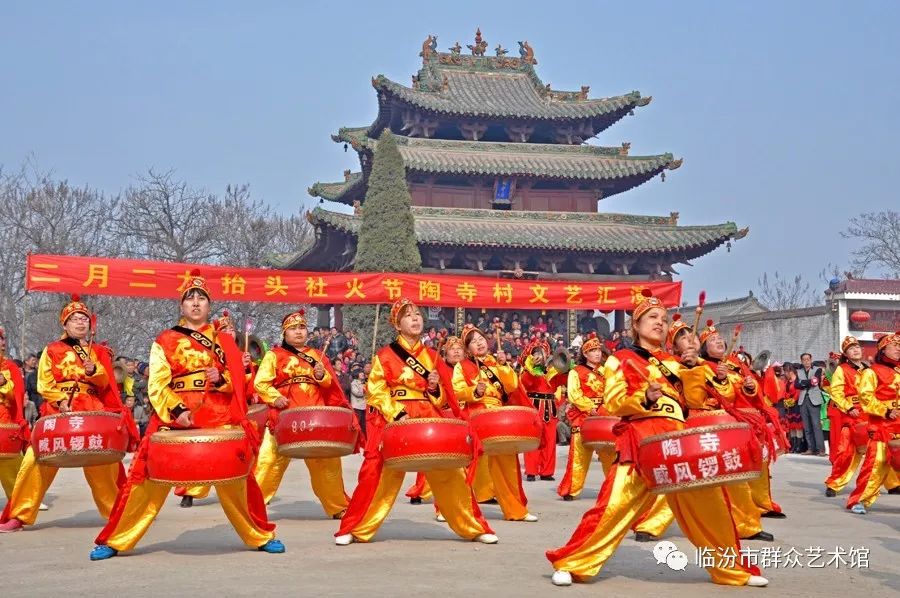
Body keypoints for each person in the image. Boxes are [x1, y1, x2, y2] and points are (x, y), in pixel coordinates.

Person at [545, 290, 767, 588]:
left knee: (713, 506)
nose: (659, 324)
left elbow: (697, 400)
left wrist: (694, 370)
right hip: (642, 439)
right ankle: (573, 562)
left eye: (664, 319)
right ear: (636, 325)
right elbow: (614, 402)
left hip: (680, 443)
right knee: (612, 507)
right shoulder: (621, 360)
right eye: (652, 318)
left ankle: (732, 570)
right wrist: (644, 397)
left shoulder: (676, 363)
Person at [89, 270, 284, 559]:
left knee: (237, 477)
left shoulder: (223, 341)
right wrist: (176, 410)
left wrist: (222, 378)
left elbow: (240, 383)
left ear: (209, 305)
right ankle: (117, 539)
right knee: (147, 477)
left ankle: (258, 534)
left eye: (201, 298)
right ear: (182, 305)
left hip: (218, 414)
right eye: (190, 298)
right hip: (177, 413)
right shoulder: (165, 340)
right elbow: (157, 383)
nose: (195, 303)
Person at [335, 299, 496, 545]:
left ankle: (472, 526)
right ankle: (356, 527)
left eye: (418, 314)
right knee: (377, 473)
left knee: (450, 471)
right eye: (408, 315)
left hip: (427, 414)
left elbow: (444, 397)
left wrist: (433, 387)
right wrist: (396, 413)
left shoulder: (432, 356)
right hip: (397, 416)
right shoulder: (385, 355)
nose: (415, 318)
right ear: (398, 325)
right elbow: (376, 390)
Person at [0, 295, 138, 533]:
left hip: (92, 409)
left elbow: (107, 384)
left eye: (83, 318)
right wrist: (60, 399)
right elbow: (44, 383)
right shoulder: (52, 350)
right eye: (74, 319)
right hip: (59, 409)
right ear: (64, 325)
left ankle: (117, 514)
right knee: (36, 461)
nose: (80, 323)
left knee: (103, 462)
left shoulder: (98, 351)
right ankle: (19, 514)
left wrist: (95, 371)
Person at [679, 320, 774, 542]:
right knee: (688, 482)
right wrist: (697, 370)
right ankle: (649, 523)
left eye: (719, 338)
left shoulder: (733, 363)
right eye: (712, 340)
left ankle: (748, 525)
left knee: (736, 474)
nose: (719, 341)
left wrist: (750, 387)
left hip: (730, 425)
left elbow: (733, 393)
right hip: (703, 426)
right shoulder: (695, 363)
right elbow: (694, 398)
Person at [253, 308, 352, 518]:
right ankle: (252, 505)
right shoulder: (274, 356)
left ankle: (338, 506)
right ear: (284, 333)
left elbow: (330, 385)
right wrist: (274, 397)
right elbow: (261, 383)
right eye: (293, 328)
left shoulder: (317, 355)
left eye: (302, 328)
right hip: (285, 417)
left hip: (314, 418)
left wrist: (321, 375)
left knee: (326, 461)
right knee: (268, 461)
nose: (298, 332)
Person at [453, 325, 538, 522]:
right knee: (471, 463)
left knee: (507, 463)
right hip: (476, 415)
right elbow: (458, 391)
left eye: (480, 338)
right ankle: (458, 509)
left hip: (499, 417)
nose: (479, 343)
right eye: (473, 341)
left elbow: (513, 387)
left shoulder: (496, 362)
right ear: (468, 349)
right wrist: (475, 391)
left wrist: (504, 366)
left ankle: (516, 510)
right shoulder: (463, 366)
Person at [846, 332, 900, 514]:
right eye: (895, 346)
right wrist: (885, 411)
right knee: (876, 462)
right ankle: (859, 500)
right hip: (882, 425)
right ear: (883, 350)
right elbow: (865, 397)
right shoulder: (872, 372)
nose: (899, 349)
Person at [556, 334, 612, 501]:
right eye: (592, 350)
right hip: (583, 417)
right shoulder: (575, 372)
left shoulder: (605, 372)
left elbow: (611, 391)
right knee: (578, 456)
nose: (597, 353)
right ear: (585, 354)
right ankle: (571, 489)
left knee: (609, 454)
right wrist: (590, 407)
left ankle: (613, 488)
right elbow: (574, 395)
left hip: (603, 416)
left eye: (598, 350)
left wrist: (603, 408)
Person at [824, 337, 875, 496]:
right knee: (845, 450)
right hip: (852, 414)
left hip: (871, 413)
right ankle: (834, 483)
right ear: (845, 354)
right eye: (851, 349)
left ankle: (892, 483)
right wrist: (849, 407)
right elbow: (836, 392)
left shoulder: (869, 369)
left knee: (880, 448)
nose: (856, 350)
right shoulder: (842, 369)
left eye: (857, 347)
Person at [520, 339, 567, 482]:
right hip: (534, 406)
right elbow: (526, 383)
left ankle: (547, 471)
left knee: (550, 439)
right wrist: (532, 367)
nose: (539, 356)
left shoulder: (552, 371)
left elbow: (563, 380)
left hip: (550, 407)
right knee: (533, 439)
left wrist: (565, 365)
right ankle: (531, 470)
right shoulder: (528, 371)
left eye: (541, 353)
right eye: (535, 353)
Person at [0, 325, 28, 501]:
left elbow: (16, 396)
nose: (1, 342)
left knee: (11, 468)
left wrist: (3, 383)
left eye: (1, 338)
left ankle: (20, 504)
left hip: (4, 423)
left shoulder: (10, 368)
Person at [795, 352, 827, 455]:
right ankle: (810, 448)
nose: (806, 361)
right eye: (804, 360)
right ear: (801, 361)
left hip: (814, 399)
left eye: (808, 359)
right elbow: (796, 385)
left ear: (811, 359)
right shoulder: (799, 371)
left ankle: (820, 449)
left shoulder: (817, 369)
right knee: (807, 426)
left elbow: (815, 381)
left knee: (816, 425)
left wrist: (803, 383)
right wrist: (807, 382)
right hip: (803, 399)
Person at [349, 368, 367, 436]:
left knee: (364, 425)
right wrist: (366, 390)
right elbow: (358, 393)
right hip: (357, 407)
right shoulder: (353, 383)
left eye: (362, 372)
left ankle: (363, 442)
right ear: (356, 374)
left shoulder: (364, 383)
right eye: (360, 373)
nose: (362, 374)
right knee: (357, 425)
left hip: (364, 406)